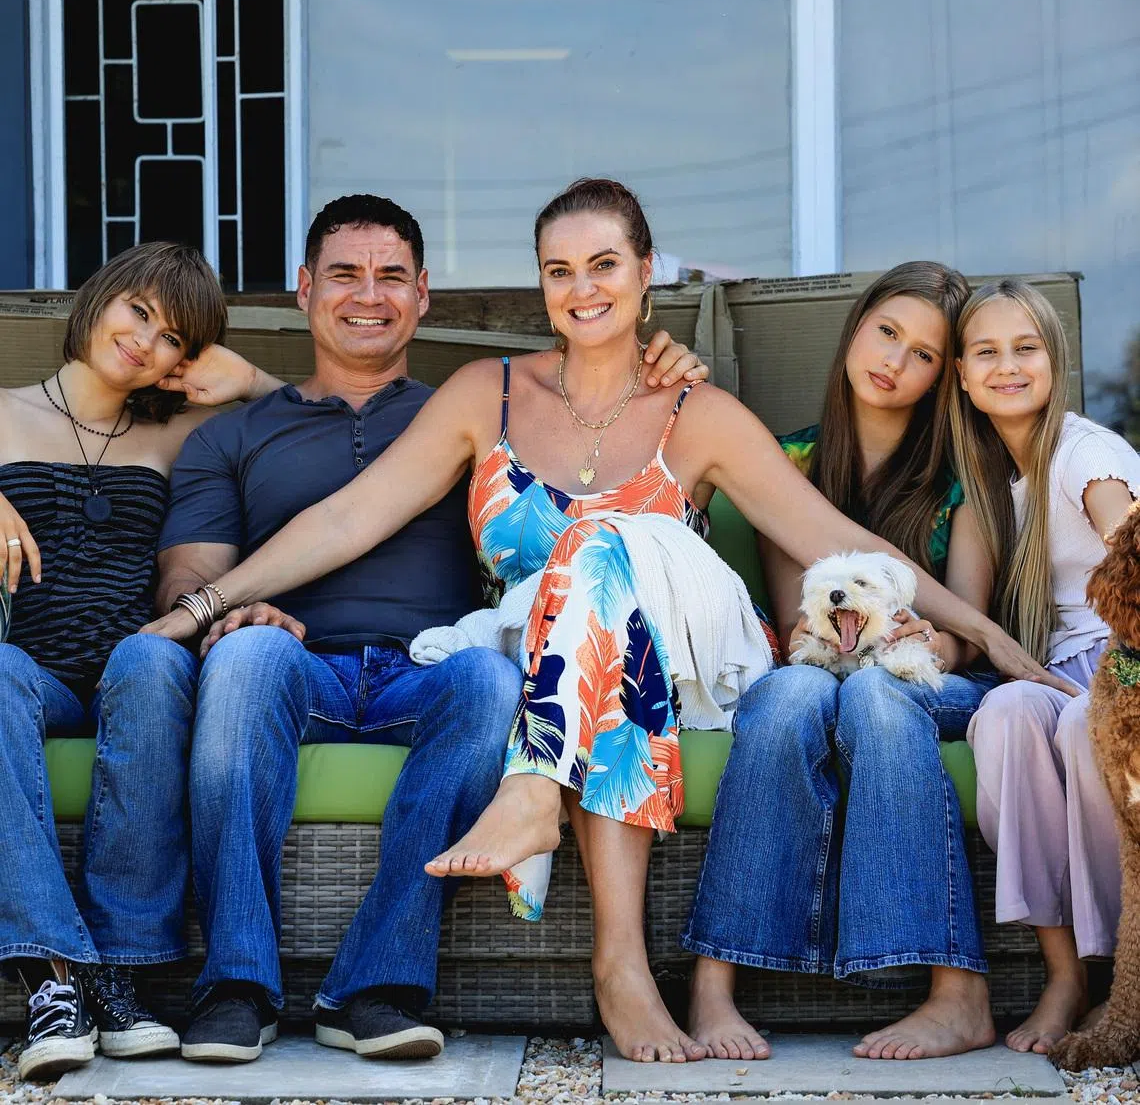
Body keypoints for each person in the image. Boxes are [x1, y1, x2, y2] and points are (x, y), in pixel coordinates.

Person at [144, 180, 1067, 1064]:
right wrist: (199, 608)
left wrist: (985, 637)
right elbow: (348, 516)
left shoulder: (698, 412)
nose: (582, 288)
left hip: (701, 661)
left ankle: (537, 794)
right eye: (559, 270)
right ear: (542, 284)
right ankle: (612, 954)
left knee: (599, 539)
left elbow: (837, 539)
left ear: (646, 271)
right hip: (572, 663)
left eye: (604, 265)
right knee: (589, 567)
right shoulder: (487, 394)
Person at [142, 192, 708, 1065]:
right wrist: (210, 608)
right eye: (343, 274)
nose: (368, 295)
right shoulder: (235, 435)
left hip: (434, 665)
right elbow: (190, 569)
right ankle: (235, 985)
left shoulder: (481, 411)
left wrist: (653, 360)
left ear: (424, 296)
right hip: (295, 659)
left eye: (391, 277)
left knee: (489, 682)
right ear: (301, 289)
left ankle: (377, 986)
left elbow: (585, 450)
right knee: (245, 659)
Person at [680, 261, 1004, 1062]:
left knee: (877, 701)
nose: (895, 359)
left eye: (924, 353)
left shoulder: (965, 481)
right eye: (887, 331)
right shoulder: (786, 460)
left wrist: (940, 640)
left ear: (942, 377)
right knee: (789, 698)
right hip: (824, 665)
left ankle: (958, 994)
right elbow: (806, 629)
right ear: (856, 327)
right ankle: (713, 986)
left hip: (930, 681)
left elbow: (966, 624)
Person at [0, 242, 280, 1081]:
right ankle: (55, 977)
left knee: (152, 667)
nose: (144, 340)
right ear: (100, 300)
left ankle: (121, 971)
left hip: (135, 660)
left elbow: (307, 412)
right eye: (138, 312)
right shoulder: (3, 409)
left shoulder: (180, 429)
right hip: (33, 669)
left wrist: (251, 378)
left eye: (172, 337)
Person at [956, 279, 1140, 1054]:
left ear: (1054, 359)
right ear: (962, 374)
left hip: (1120, 662)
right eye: (987, 352)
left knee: (1077, 731)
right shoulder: (990, 483)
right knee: (999, 718)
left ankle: (1117, 977)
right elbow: (965, 622)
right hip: (1051, 669)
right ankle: (1063, 971)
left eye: (1025, 348)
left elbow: (1129, 541)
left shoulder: (1085, 453)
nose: (1008, 366)